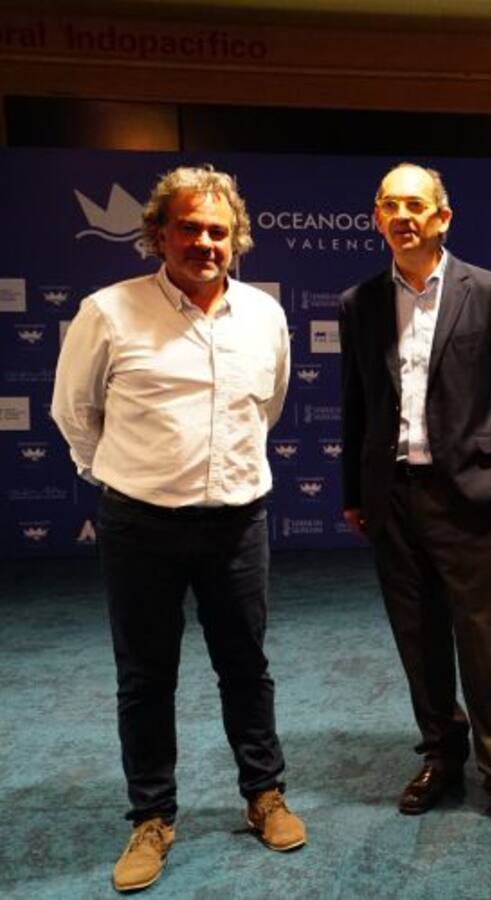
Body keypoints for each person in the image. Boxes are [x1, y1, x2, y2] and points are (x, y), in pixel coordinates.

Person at [51, 166, 304, 893]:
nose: (204, 242)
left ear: (237, 239)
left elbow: (269, 406)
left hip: (238, 522)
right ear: (159, 233)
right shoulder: (109, 311)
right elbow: (74, 414)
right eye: (188, 228)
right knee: (145, 677)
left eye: (218, 231)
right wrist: (128, 477)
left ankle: (264, 794)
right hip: (140, 526)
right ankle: (152, 818)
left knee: (246, 667)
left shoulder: (265, 316)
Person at [339, 163, 491, 840]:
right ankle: (442, 757)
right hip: (392, 497)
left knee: (484, 643)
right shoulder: (360, 303)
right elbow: (354, 406)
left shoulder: (488, 292)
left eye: (416, 206)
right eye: (390, 206)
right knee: (418, 640)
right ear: (378, 217)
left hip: (470, 497)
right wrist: (353, 492)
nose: (403, 217)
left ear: (442, 218)